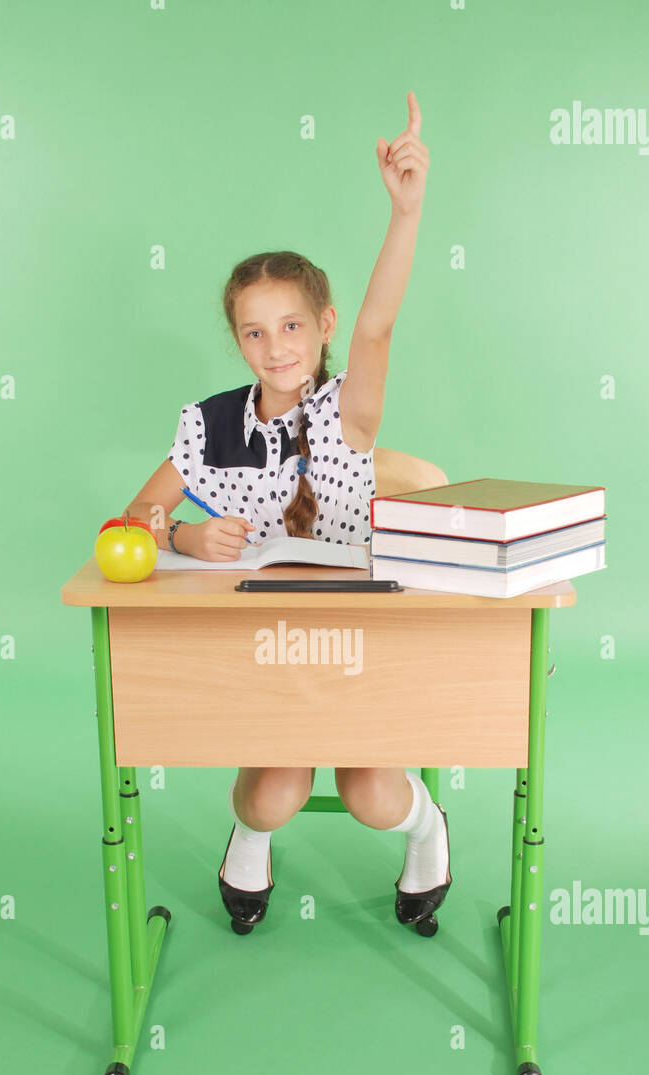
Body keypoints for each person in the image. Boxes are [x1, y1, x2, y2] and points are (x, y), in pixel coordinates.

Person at [126, 92, 450, 931]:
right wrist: (188, 533)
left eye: (294, 325)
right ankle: (252, 835)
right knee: (273, 795)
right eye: (255, 333)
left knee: (375, 795)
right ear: (238, 342)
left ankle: (426, 831)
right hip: (266, 647)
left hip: (362, 641)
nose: (278, 348)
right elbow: (129, 529)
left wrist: (406, 210)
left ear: (324, 325)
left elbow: (381, 326)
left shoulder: (348, 415)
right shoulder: (208, 427)